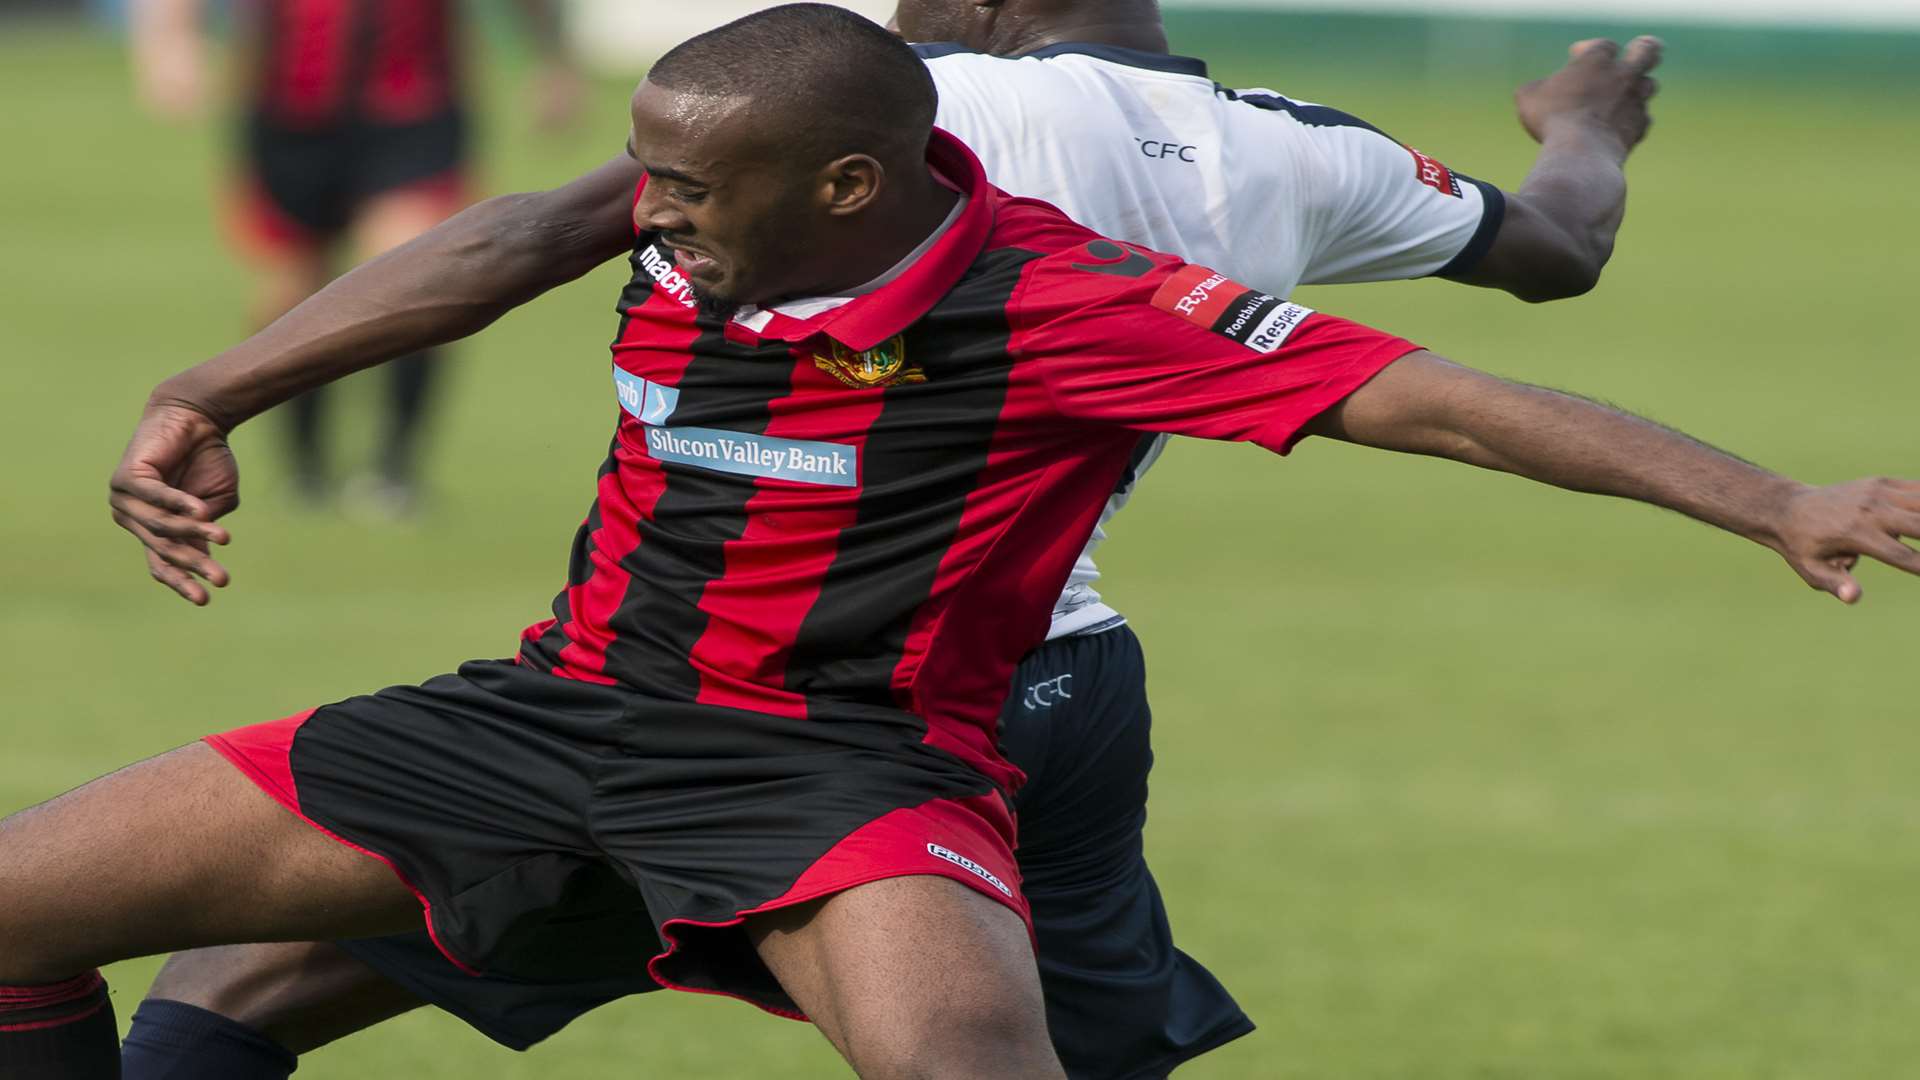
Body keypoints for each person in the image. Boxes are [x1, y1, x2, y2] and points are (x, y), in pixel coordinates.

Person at [13, 3, 1910, 1079]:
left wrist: (1781, 502)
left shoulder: (1061, 291)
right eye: (646, 182)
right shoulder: (728, 178)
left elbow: (1440, 397)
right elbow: (517, 230)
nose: (643, 218)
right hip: (561, 712)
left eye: (677, 190)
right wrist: (212, 386)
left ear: (852, 180)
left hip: (843, 766)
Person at [130, 0, 583, 514]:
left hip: (413, 109)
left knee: (421, 278)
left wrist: (553, 62)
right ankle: (307, 474)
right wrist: (168, 41)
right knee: (292, 292)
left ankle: (394, 472)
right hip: (288, 109)